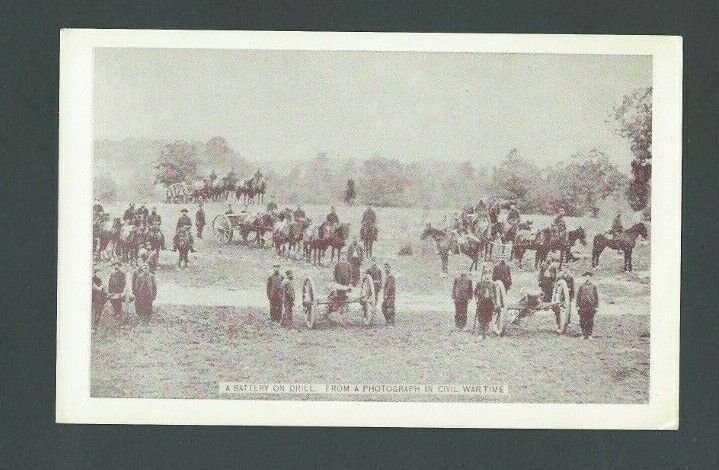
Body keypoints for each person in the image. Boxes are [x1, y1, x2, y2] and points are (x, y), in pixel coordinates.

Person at [576, 271, 599, 339]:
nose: (587, 278)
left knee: (590, 320)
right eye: (586, 277)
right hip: (583, 306)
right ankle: (583, 334)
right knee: (582, 320)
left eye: (589, 277)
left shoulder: (593, 286)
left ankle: (589, 334)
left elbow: (596, 297)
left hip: (590, 306)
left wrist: (596, 306)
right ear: (585, 277)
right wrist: (577, 305)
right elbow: (578, 296)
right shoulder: (581, 286)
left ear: (590, 278)